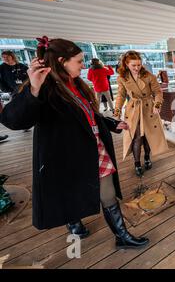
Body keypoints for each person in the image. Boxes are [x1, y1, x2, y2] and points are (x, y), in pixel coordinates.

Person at [0, 36, 149, 249]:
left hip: (92, 146)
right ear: (62, 61)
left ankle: (121, 236)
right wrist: (32, 89)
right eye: (79, 61)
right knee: (69, 191)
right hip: (65, 154)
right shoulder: (44, 86)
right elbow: (13, 121)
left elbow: (88, 114)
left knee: (107, 192)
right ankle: (73, 222)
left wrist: (109, 123)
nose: (83, 65)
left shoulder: (76, 83)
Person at [114, 51, 168, 177]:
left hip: (149, 108)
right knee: (137, 137)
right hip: (133, 109)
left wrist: (157, 104)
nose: (137, 68)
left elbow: (158, 92)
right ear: (126, 64)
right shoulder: (122, 77)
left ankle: (148, 157)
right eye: (134, 65)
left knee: (148, 136)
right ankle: (137, 163)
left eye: (139, 64)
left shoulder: (148, 75)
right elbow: (121, 95)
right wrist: (117, 110)